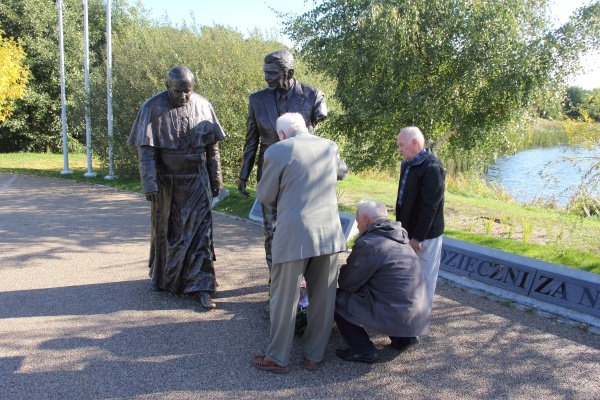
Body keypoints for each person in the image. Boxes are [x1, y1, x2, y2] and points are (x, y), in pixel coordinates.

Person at [250, 112, 348, 373]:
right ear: (305, 127)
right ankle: (314, 356)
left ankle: (278, 358)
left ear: (282, 133)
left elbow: (266, 195)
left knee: (283, 298)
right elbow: (343, 173)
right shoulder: (329, 146)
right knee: (324, 298)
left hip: (294, 234)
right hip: (328, 234)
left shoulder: (277, 151)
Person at [128, 66, 225, 310]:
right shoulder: (152, 107)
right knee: (168, 232)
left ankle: (202, 286)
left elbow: (212, 149)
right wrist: (149, 183)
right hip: (167, 182)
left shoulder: (203, 105)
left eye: (188, 92)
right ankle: (165, 278)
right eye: (179, 91)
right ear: (167, 86)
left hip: (196, 179)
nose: (184, 97)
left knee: (201, 234)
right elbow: (146, 151)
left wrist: (216, 179)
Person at [238, 50, 328, 271]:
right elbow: (251, 140)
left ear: (289, 72)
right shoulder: (257, 100)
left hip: (301, 176)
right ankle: (276, 283)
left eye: (272, 73)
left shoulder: (313, 95)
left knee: (301, 229)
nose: (267, 77)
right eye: (265, 72)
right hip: (269, 173)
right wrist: (244, 174)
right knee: (272, 231)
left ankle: (301, 284)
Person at [335, 200, 430, 364]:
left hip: (394, 310)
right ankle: (403, 337)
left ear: (365, 220)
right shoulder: (401, 238)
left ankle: (362, 349)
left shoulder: (370, 243)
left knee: (335, 298)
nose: (357, 227)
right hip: (416, 314)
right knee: (388, 291)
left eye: (358, 222)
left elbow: (347, 282)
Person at [395, 126, 445, 313]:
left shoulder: (432, 167)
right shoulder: (407, 164)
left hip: (425, 235)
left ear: (415, 143)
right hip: (407, 230)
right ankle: (408, 314)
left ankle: (420, 318)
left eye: (402, 145)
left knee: (425, 277)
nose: (399, 149)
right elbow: (403, 200)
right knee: (408, 274)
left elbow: (430, 207)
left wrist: (418, 238)